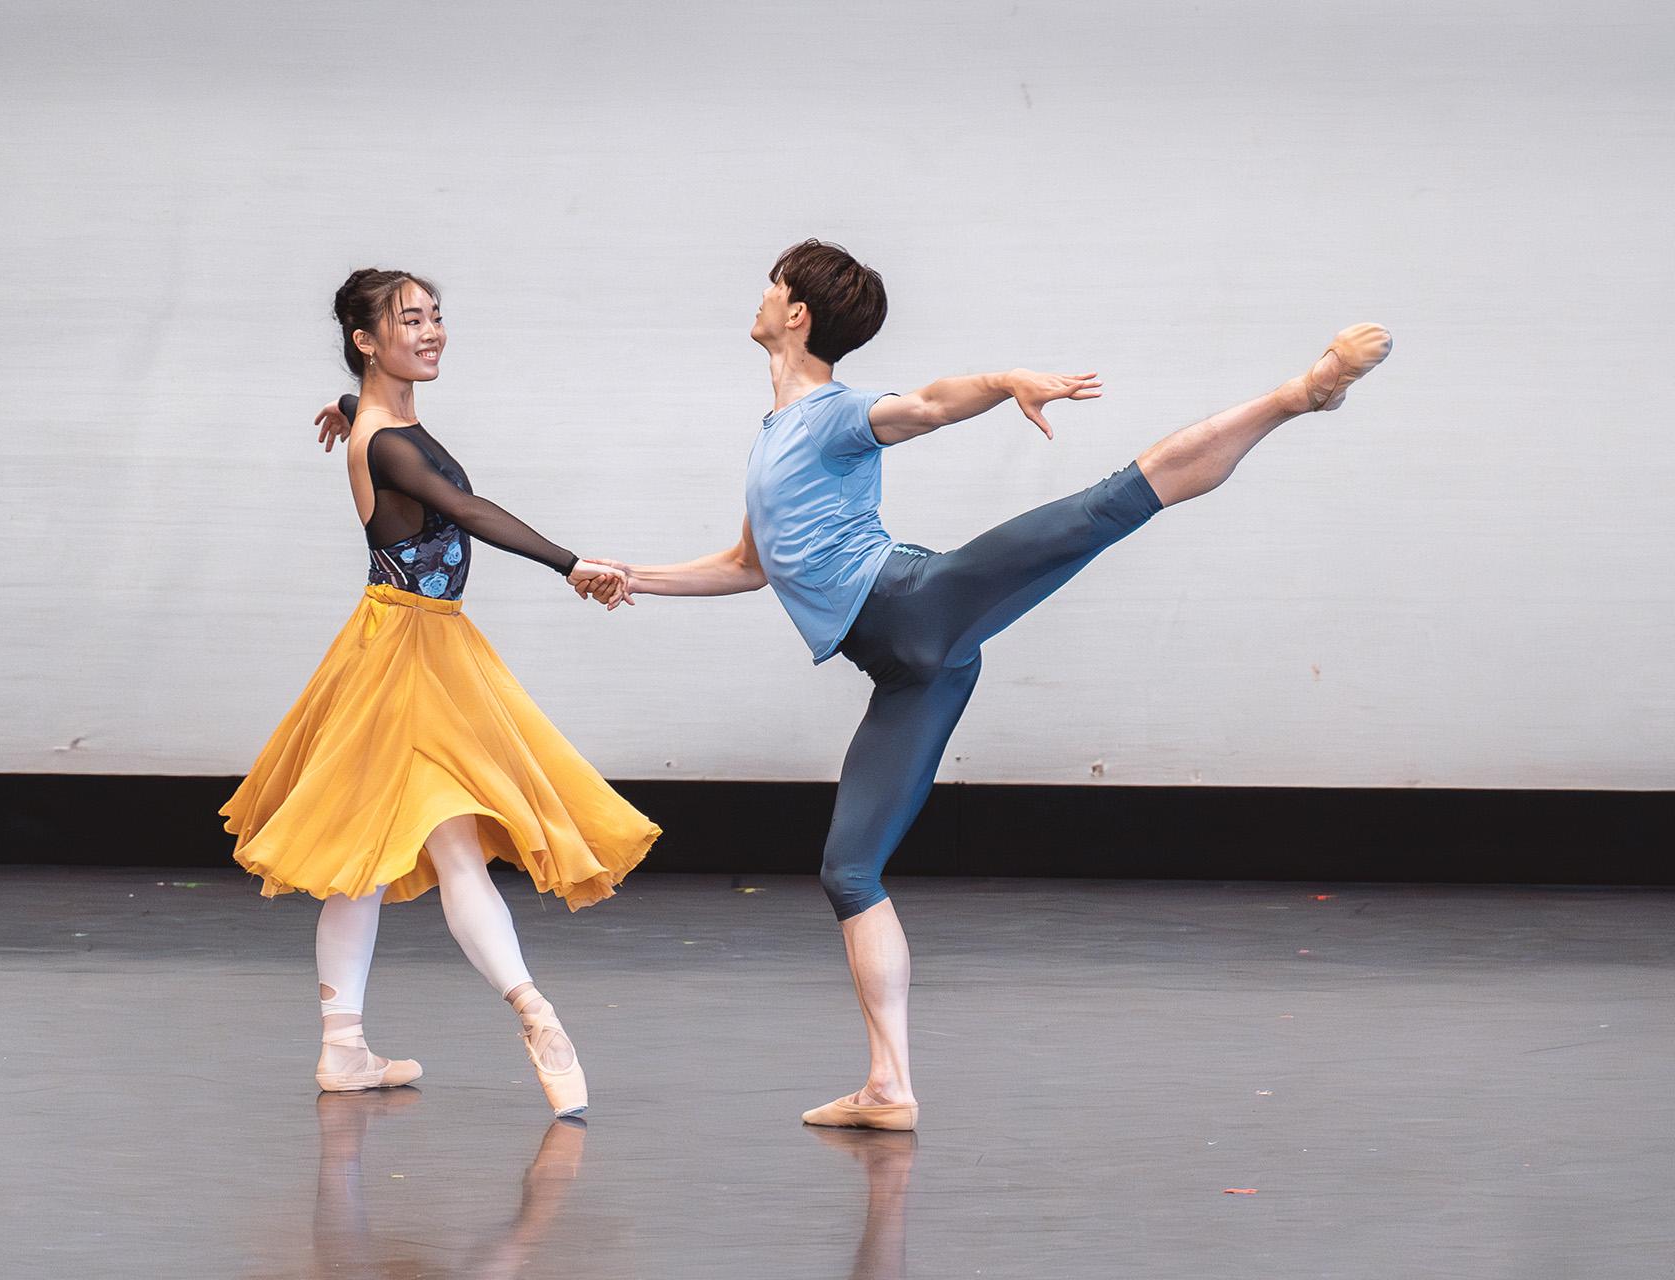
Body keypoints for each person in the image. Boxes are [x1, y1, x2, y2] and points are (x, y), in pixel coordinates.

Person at [590, 239, 1391, 1130]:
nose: (762, 298)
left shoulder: (832, 413)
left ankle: (1296, 395)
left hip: (916, 604)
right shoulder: (776, 435)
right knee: (848, 871)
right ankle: (889, 1086)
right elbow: (748, 566)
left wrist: (1007, 378)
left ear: (796, 315)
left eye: (772, 288)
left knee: (1111, 503)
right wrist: (634, 575)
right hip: (904, 669)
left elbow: (926, 405)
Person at [224, 268, 658, 1116]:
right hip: (409, 657)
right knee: (426, 851)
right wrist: (573, 564)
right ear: (365, 340)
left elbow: (393, 449)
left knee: (369, 860)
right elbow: (466, 506)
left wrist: (345, 408)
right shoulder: (388, 441)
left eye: (435, 317)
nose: (430, 332)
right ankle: (532, 1014)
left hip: (404, 645)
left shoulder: (378, 427)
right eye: (409, 320)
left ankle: (345, 1047)